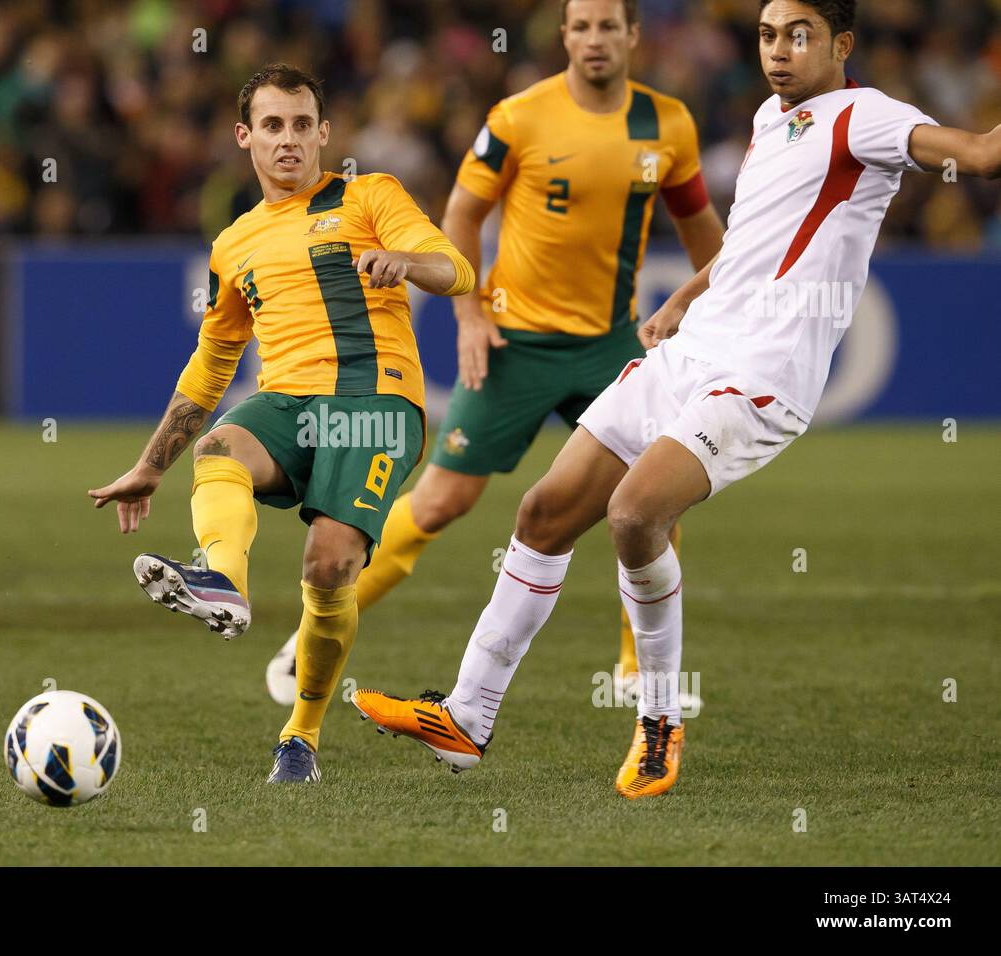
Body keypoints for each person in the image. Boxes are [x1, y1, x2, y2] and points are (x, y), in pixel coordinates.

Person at [351, 0, 1000, 798]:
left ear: (843, 44)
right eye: (767, 35)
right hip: (691, 352)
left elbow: (979, 153)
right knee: (543, 514)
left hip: (761, 375)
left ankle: (659, 721)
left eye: (799, 36)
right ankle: (466, 717)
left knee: (633, 513)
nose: (779, 52)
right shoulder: (770, 118)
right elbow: (749, 246)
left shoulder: (863, 116)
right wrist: (686, 296)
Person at [264, 0, 724, 707]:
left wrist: (702, 310)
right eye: (581, 26)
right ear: (564, 36)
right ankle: (309, 636)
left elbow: (703, 237)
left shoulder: (669, 125)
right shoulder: (519, 117)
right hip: (515, 343)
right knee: (444, 499)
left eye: (609, 26)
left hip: (611, 345)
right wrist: (470, 314)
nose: (595, 39)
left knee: (653, 494)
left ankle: (637, 672)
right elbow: (462, 213)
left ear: (633, 35)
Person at [88, 64, 475, 784]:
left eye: (302, 125)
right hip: (290, 404)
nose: (289, 140)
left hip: (375, 406)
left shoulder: (370, 195)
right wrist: (150, 464)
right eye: (272, 126)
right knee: (219, 443)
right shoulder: (233, 244)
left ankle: (300, 737)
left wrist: (408, 262)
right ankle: (220, 579)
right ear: (245, 137)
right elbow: (210, 365)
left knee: (328, 565)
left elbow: (456, 269)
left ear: (324, 133)